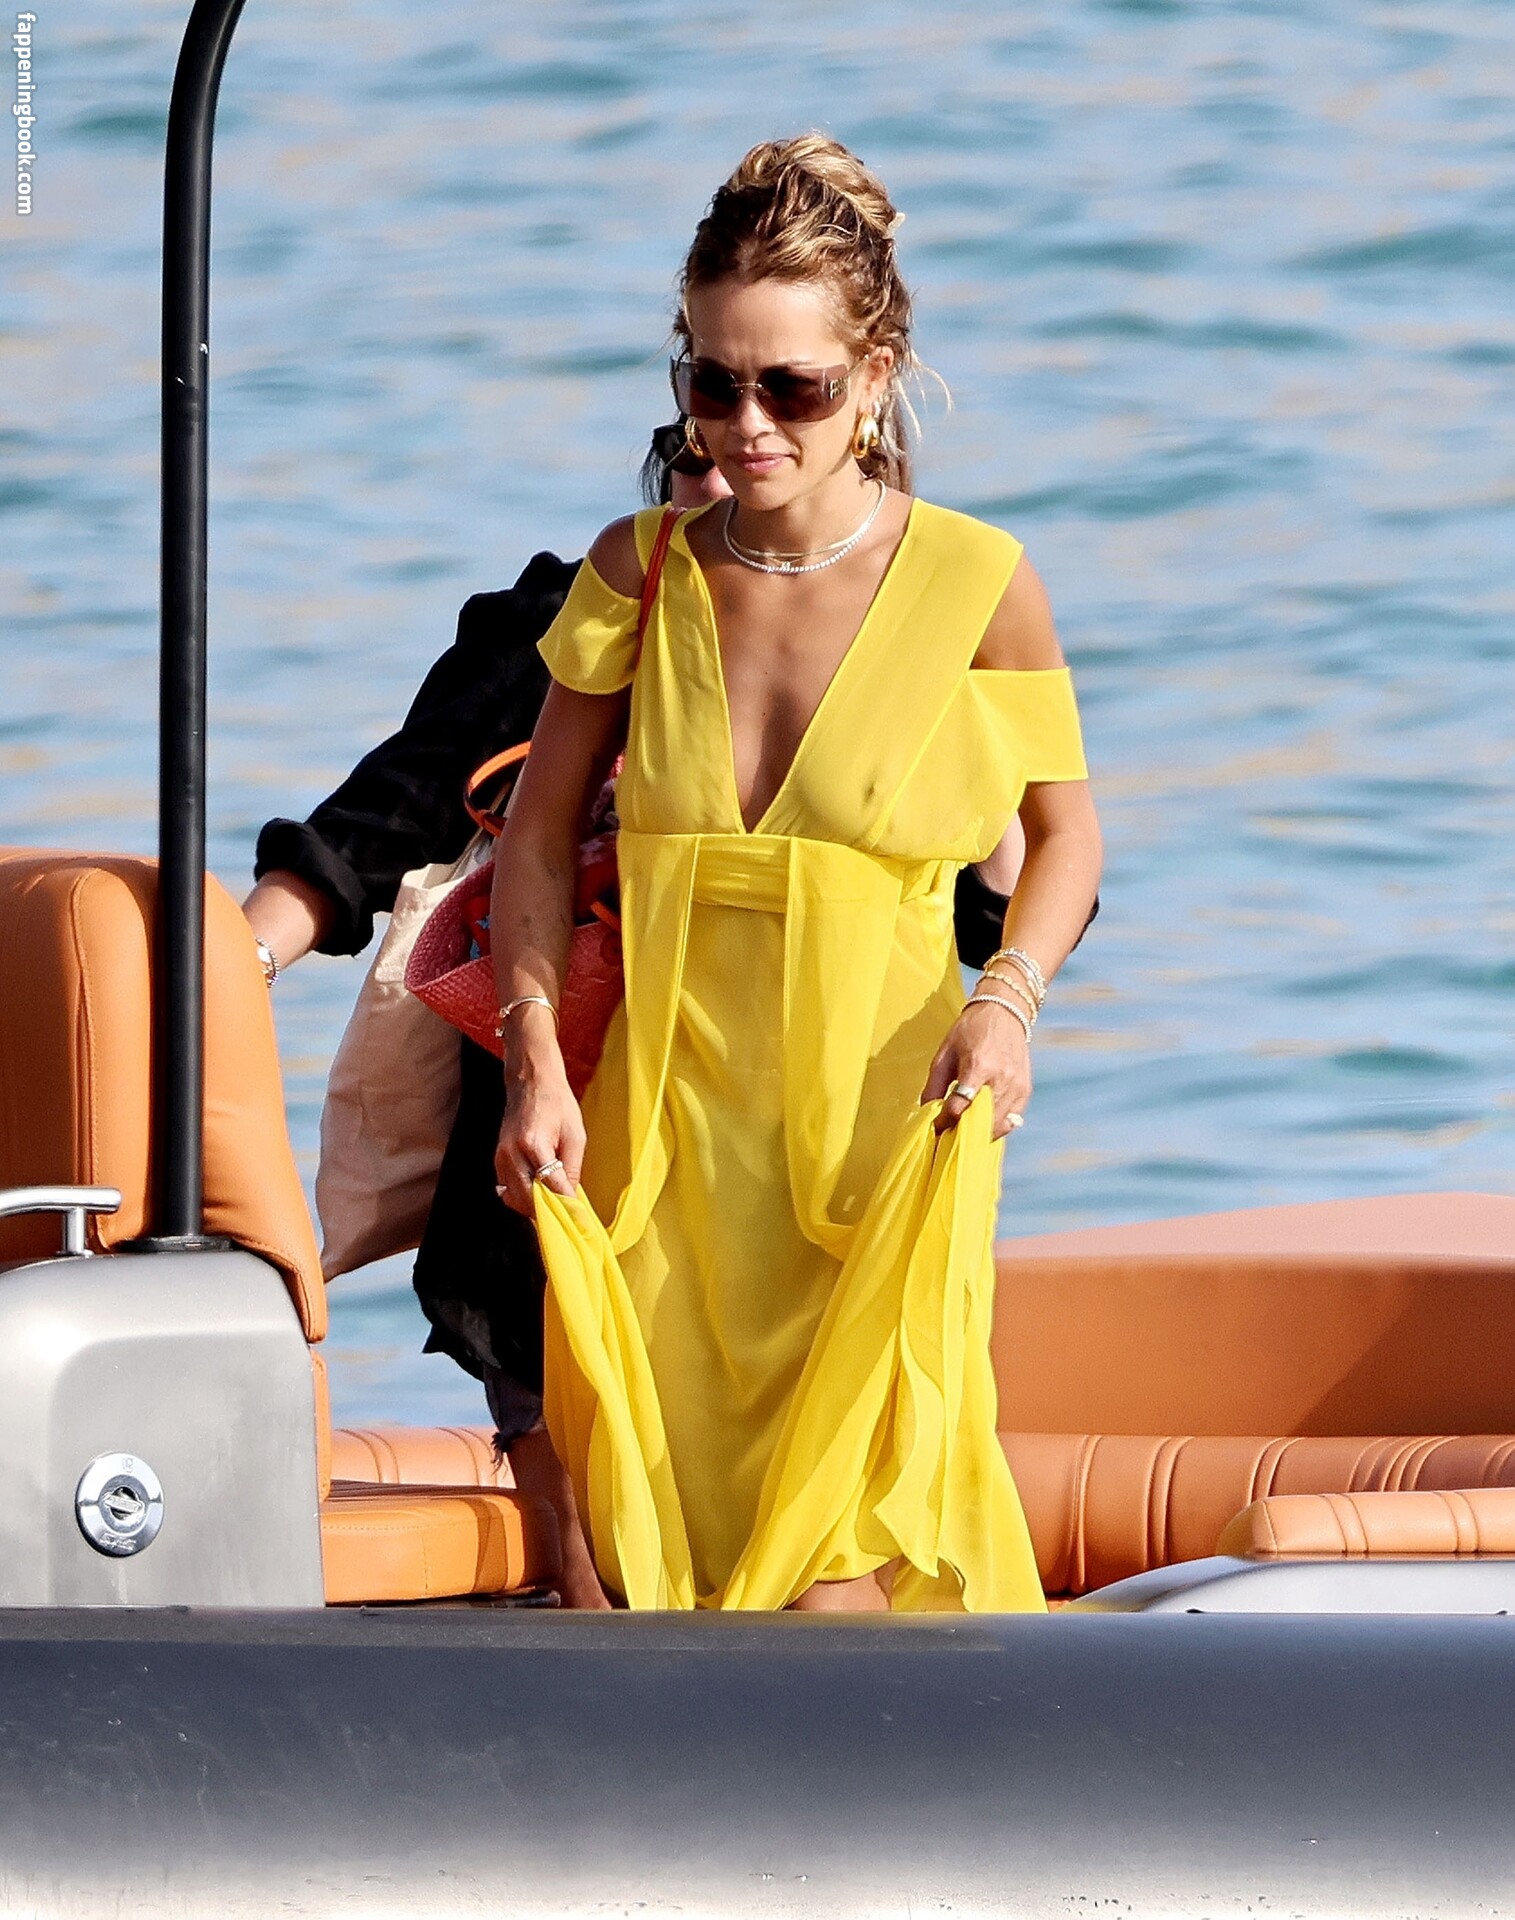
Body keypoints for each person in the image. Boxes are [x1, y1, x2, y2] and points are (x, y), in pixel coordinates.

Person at [242, 422, 1034, 1581]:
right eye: (691, 440)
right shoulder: (578, 611)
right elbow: (386, 813)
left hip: (812, 1137)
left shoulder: (918, 619)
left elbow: (989, 917)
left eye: (785, 407)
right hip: (558, 1133)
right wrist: (234, 968)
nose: (724, 461)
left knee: (821, 1531)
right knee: (597, 1552)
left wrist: (986, 794)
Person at [490, 135, 1103, 1614]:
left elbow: (1069, 839)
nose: (746, 426)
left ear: (875, 376)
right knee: (659, 1569)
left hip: (885, 1139)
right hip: (665, 1152)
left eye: (794, 388)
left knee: (845, 1580)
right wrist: (533, 1067)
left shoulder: (977, 582)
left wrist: (1007, 1003)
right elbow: (534, 838)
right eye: (712, 384)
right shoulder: (639, 573)